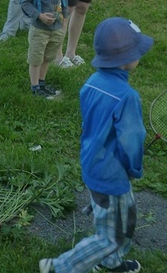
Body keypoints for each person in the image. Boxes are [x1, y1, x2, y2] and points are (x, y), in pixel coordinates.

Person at [39, 17, 153, 273]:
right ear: (126, 59)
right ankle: (60, 266)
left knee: (122, 217)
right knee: (111, 237)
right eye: (137, 52)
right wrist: (134, 168)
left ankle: (110, 263)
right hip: (113, 173)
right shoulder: (127, 97)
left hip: (92, 162)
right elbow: (132, 140)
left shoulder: (91, 83)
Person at [20, 0, 69, 98]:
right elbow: (25, 3)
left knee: (48, 57)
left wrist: (64, 17)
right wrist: (39, 16)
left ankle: (42, 83)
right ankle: (35, 88)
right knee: (36, 58)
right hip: (40, 29)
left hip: (56, 28)